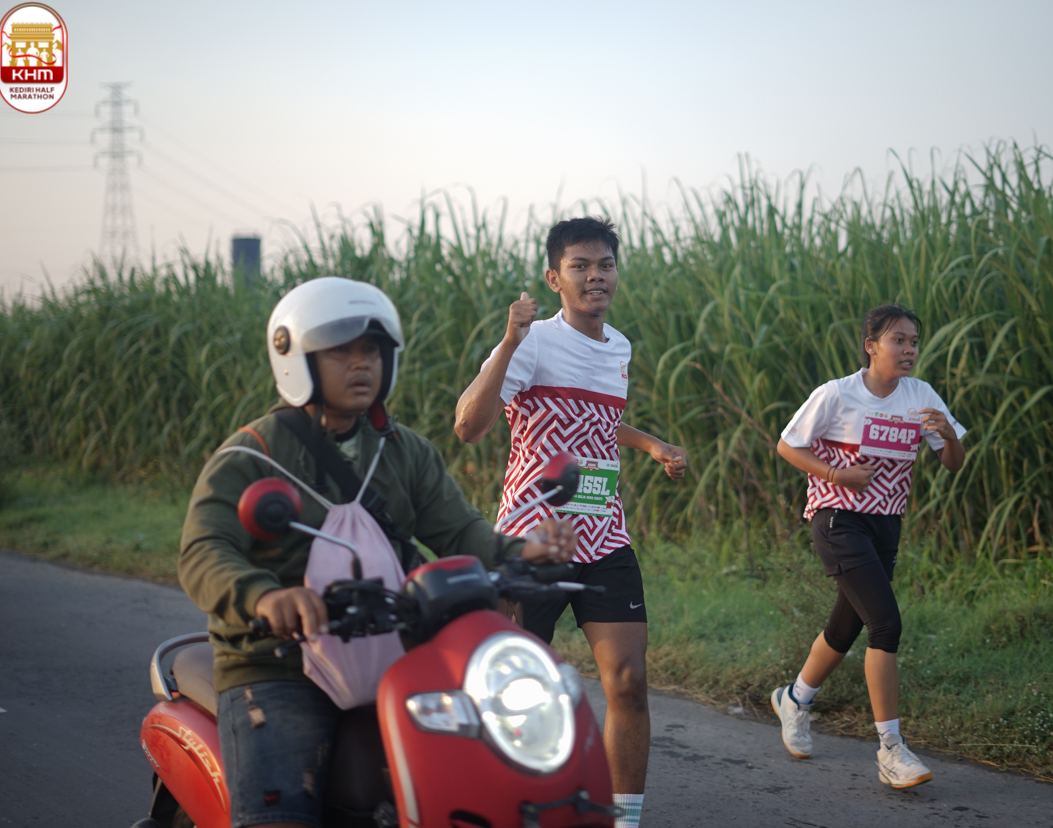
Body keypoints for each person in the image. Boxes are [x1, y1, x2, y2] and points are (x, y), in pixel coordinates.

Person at [179, 277, 576, 828]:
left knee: (478, 782)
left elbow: (460, 532)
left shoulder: (403, 450)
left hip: (395, 645)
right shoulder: (253, 454)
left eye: (371, 350)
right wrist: (266, 598)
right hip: (279, 661)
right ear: (297, 358)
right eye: (340, 351)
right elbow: (204, 549)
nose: (360, 364)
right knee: (280, 818)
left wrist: (526, 551)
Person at [454, 216, 687, 828]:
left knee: (629, 680)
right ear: (554, 278)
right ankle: (498, 806)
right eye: (579, 266)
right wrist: (508, 343)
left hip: (604, 535)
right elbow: (468, 425)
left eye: (605, 264)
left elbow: (598, 422)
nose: (595, 276)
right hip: (532, 541)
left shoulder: (619, 347)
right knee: (516, 689)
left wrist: (653, 444)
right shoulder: (532, 342)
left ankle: (623, 820)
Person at [770, 304, 966, 789]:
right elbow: (788, 445)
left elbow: (953, 463)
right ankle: (891, 749)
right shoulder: (837, 394)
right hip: (838, 518)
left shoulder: (920, 395)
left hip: (885, 525)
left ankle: (794, 699)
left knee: (847, 624)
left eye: (914, 341)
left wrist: (948, 436)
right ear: (871, 346)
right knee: (885, 623)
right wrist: (837, 474)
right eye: (898, 340)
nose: (909, 349)